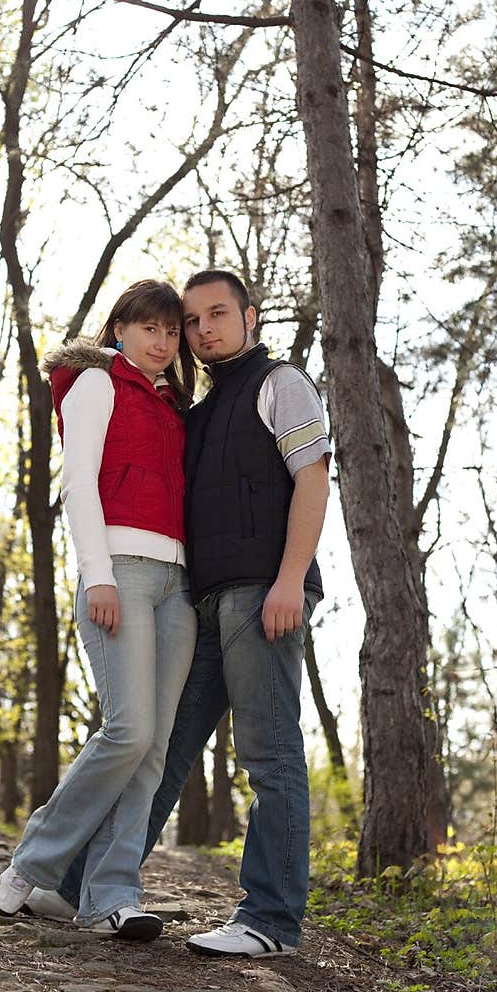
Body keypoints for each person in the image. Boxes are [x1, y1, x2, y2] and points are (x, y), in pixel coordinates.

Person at [51, 269, 331, 957]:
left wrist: (290, 580)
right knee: (161, 746)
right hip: (199, 599)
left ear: (250, 318)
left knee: (269, 755)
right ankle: (84, 886)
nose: (203, 330)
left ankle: (269, 921)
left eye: (217, 315)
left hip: (263, 593)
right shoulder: (196, 409)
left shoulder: (281, 384)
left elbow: (314, 479)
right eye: (191, 321)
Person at [0, 278, 198, 941]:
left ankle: (112, 898)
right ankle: (33, 862)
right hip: (122, 575)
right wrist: (97, 576)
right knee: (128, 730)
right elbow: (79, 485)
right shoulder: (95, 385)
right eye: (149, 329)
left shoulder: (172, 406)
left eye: (172, 332)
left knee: (155, 750)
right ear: (119, 329)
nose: (162, 342)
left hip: (178, 584)